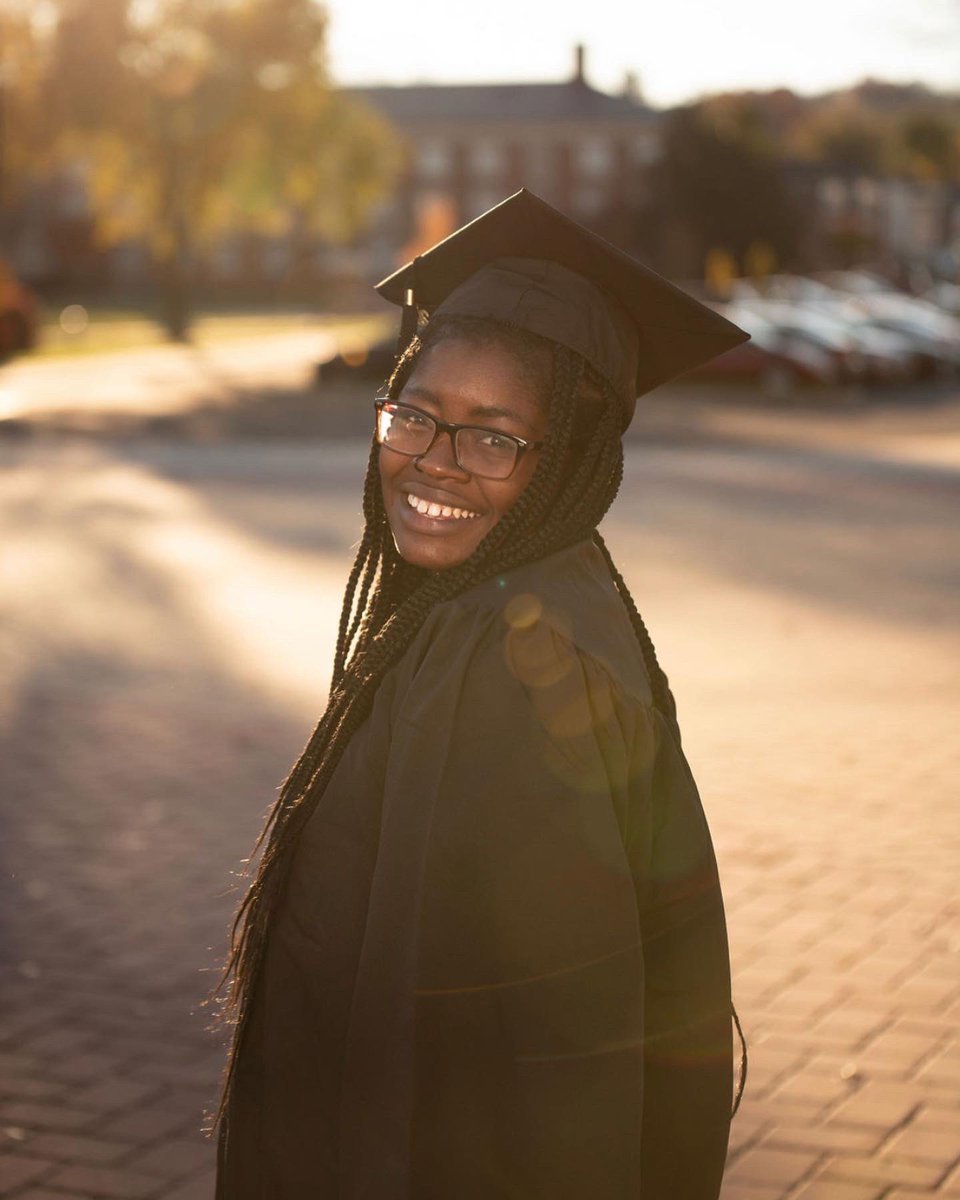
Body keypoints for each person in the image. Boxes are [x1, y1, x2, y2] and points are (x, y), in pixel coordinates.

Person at [215, 189, 748, 1199]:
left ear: (570, 461)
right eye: (414, 414)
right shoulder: (497, 603)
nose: (432, 462)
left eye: (494, 437)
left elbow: (510, 1076)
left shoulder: (507, 669)